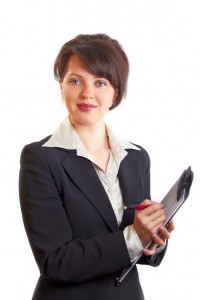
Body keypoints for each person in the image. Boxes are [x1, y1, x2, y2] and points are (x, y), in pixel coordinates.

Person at [19, 33, 175, 300]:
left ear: (116, 92)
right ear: (61, 87)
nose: (87, 93)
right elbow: (55, 261)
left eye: (100, 82)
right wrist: (134, 236)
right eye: (75, 80)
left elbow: (137, 254)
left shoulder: (136, 157)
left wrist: (153, 238)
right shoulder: (40, 159)